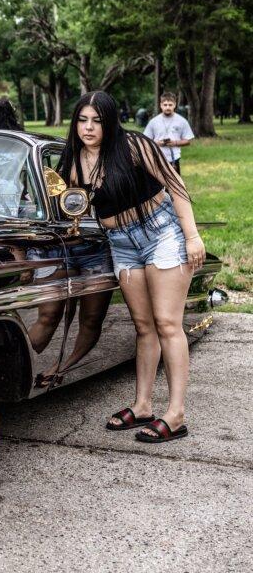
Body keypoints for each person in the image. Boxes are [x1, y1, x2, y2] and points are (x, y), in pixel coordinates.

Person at [59, 91, 205, 443]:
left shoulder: (134, 146)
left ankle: (176, 414)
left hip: (162, 233)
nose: (89, 127)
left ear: (110, 121)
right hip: (121, 243)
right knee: (143, 326)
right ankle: (142, 406)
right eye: (82, 120)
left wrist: (192, 236)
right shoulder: (74, 161)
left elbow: (176, 185)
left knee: (167, 323)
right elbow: (73, 206)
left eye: (97, 120)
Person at [143, 92, 194, 173]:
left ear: (175, 105)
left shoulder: (182, 121)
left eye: (170, 105)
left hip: (174, 159)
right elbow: (145, 141)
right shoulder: (153, 121)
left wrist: (175, 143)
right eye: (165, 105)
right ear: (161, 105)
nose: (167, 107)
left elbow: (188, 140)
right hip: (157, 158)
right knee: (158, 184)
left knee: (174, 184)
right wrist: (158, 143)